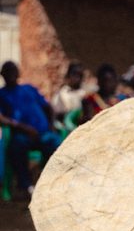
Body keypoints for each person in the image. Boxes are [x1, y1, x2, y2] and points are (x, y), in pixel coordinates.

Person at [0, 61, 61, 196]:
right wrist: (23, 127)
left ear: (18, 73)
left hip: (44, 133)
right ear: (2, 75)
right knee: (16, 147)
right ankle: (26, 186)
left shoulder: (29, 88)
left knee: (57, 144)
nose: (11, 74)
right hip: (22, 135)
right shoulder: (2, 94)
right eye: (7, 71)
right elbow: (2, 118)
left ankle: (53, 183)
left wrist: (51, 124)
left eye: (13, 71)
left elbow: (48, 107)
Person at [51, 61, 88, 126]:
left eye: (80, 74)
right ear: (68, 75)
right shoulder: (62, 94)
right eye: (74, 74)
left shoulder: (86, 93)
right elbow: (56, 114)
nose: (77, 77)